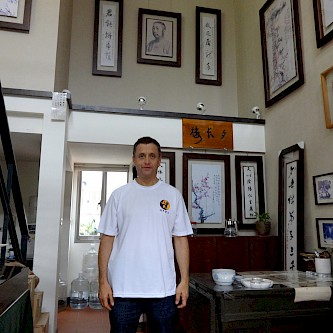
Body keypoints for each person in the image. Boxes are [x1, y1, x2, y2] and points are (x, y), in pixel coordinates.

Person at [98, 136, 193, 333]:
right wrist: (103, 281)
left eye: (152, 156)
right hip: (123, 289)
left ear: (159, 160)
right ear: (134, 159)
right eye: (142, 156)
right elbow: (107, 239)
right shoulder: (119, 195)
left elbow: (181, 240)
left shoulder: (172, 195)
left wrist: (184, 280)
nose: (147, 161)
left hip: (164, 290)